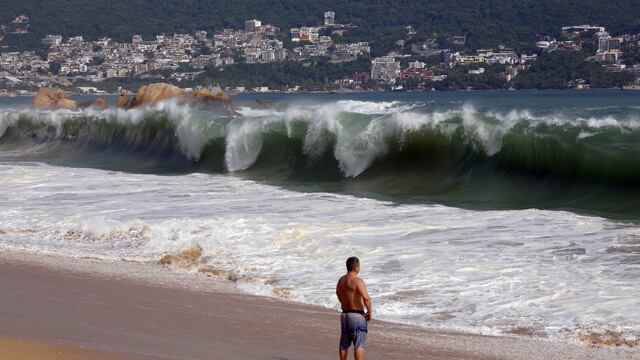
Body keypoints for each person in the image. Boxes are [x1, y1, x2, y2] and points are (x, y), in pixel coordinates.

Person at [336, 257, 372, 360]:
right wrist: (369, 312)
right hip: (356, 315)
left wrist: (345, 303)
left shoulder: (341, 280)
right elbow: (366, 298)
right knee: (359, 343)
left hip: (345, 315)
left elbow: (338, 294)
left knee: (344, 343)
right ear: (356, 267)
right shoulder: (357, 280)